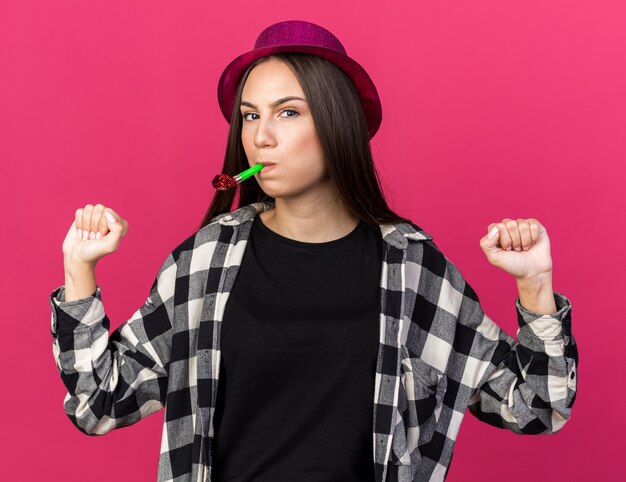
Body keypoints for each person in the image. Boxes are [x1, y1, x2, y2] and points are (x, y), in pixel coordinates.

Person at [49, 20, 578, 482]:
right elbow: (99, 404)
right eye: (251, 116)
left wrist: (534, 286)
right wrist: (80, 270)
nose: (261, 138)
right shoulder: (207, 259)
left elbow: (538, 406)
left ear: (336, 121)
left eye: (287, 113)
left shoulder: (411, 267)